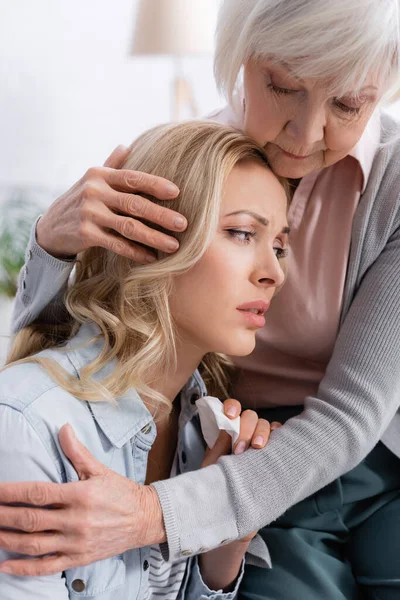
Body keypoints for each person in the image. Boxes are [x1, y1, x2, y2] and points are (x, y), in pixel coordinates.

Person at [1, 0, 400, 598]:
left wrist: (151, 513)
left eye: (348, 104)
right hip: (238, 452)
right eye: (283, 86)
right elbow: (67, 349)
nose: (306, 132)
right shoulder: (172, 170)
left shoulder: (391, 186)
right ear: (239, 55)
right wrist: (50, 249)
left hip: (364, 454)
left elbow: (351, 417)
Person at [0, 120, 289, 598]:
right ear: (146, 241)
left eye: (279, 245)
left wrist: (227, 543)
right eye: (241, 233)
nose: (274, 273)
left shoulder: (204, 435)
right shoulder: (29, 427)